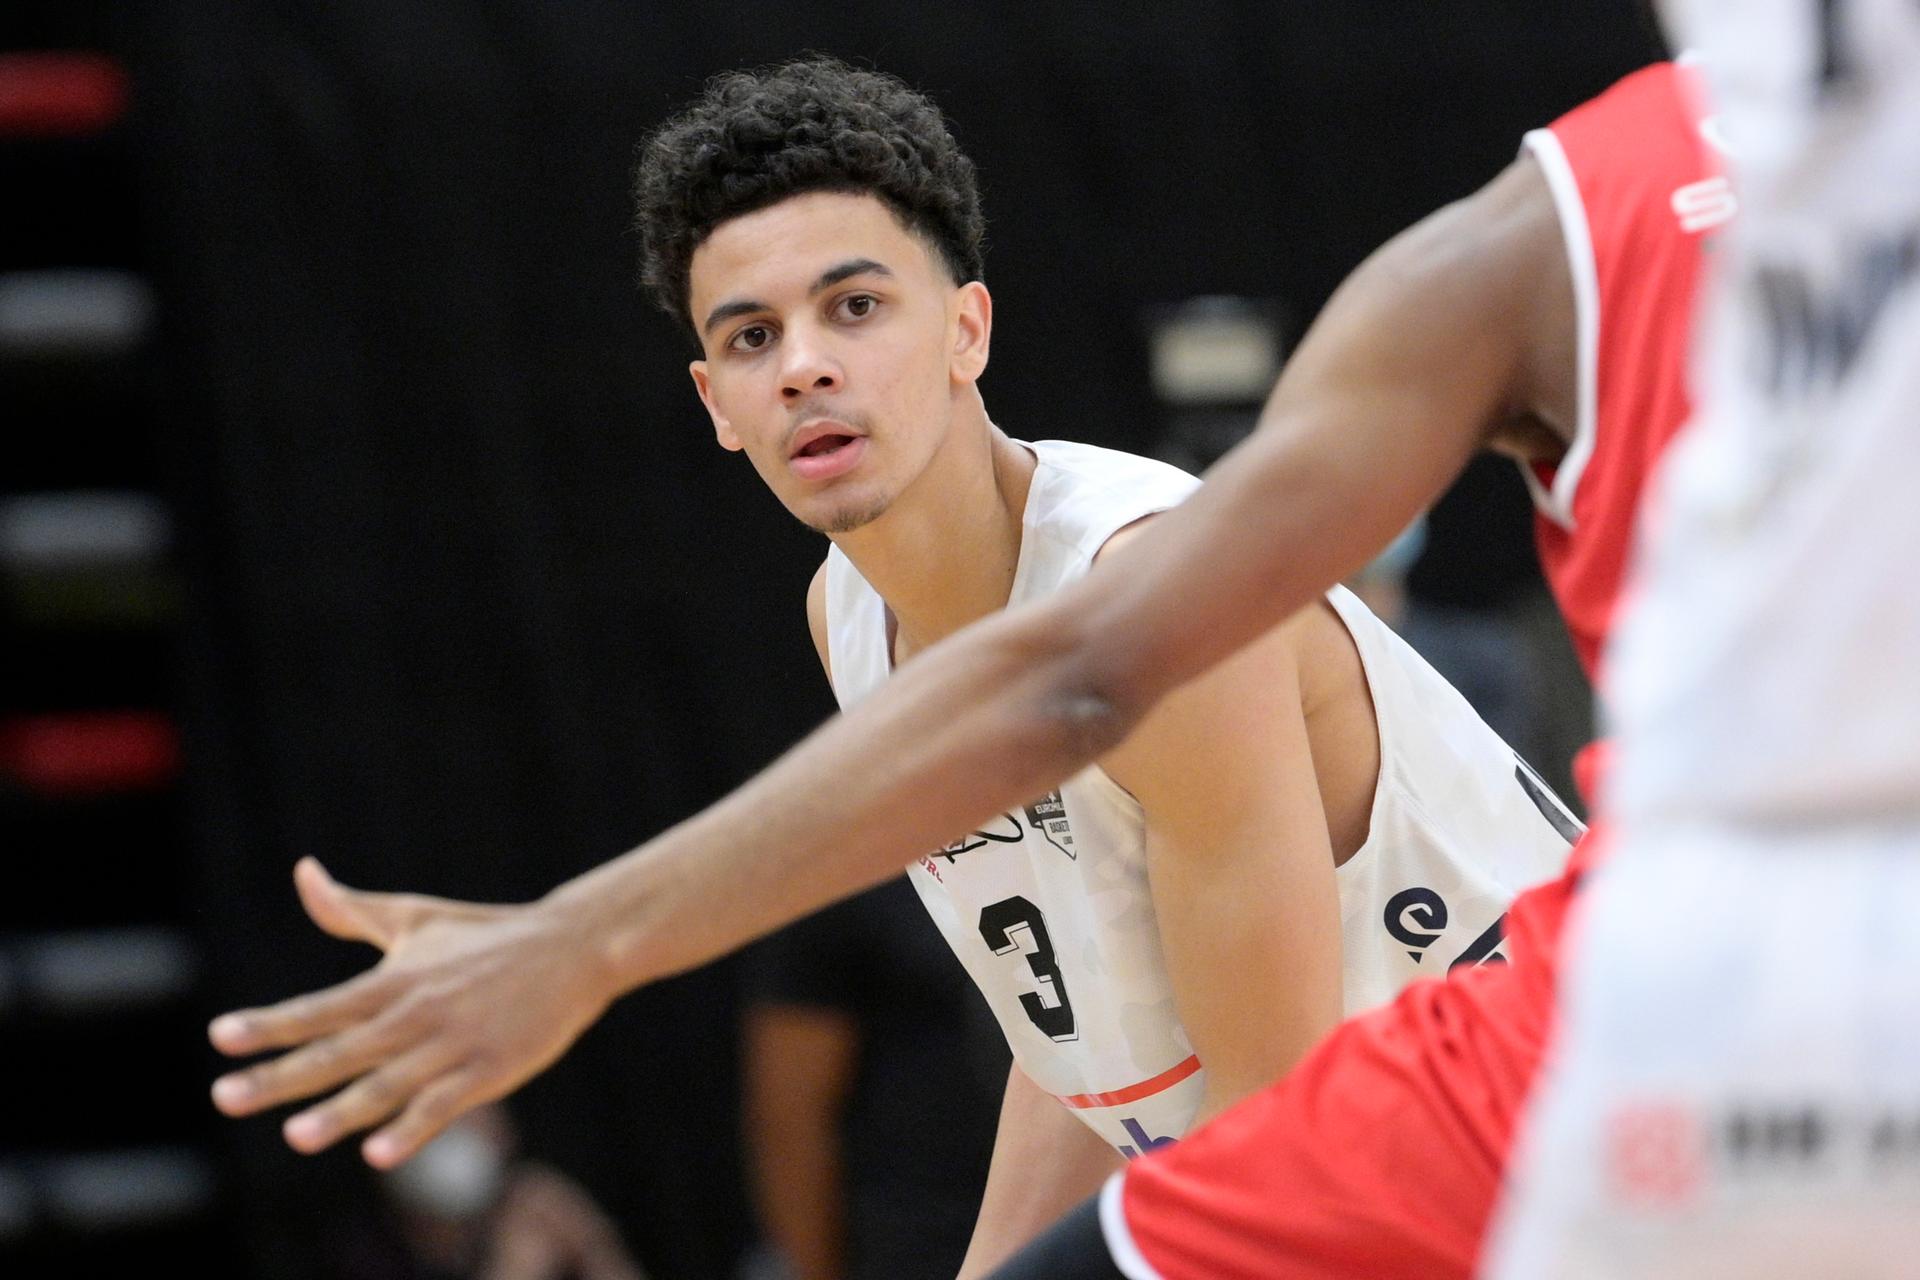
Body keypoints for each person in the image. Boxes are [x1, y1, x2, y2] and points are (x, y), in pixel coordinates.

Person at [206, 50, 1711, 1280]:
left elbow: (1274, 1149)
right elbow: (1085, 1031)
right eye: (751, 335)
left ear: (967, 330)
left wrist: (577, 945)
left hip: (1581, 1163)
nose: (804, 363)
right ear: (712, 403)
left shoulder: (1145, 591)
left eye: (855, 308)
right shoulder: (846, 615)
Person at [1484, 3, 1920, 1275]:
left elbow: (1092, 669)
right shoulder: (1578, 201)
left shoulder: (1564, 203)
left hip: (1702, 933)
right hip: (1700, 920)